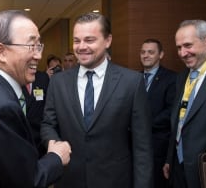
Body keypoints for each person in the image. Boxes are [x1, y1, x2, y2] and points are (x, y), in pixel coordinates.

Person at [0, 10, 71, 188]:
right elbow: (28, 181)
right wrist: (56, 157)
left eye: (39, 46)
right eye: (30, 46)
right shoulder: (1, 107)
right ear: (1, 51)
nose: (38, 56)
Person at [41, 12, 153, 188]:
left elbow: (143, 146)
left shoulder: (131, 82)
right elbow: (48, 124)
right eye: (77, 41)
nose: (81, 46)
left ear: (108, 41)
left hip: (115, 181)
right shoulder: (58, 82)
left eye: (89, 40)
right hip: (69, 179)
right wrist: (55, 144)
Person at [163, 19, 206, 188]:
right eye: (179, 47)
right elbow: (180, 122)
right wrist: (169, 159)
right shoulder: (181, 77)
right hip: (178, 169)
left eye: (187, 45)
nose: (182, 53)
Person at [140, 38, 176, 188]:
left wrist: (143, 124)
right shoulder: (133, 78)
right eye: (142, 52)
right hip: (135, 144)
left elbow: (171, 111)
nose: (145, 55)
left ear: (160, 55)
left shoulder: (172, 78)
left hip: (158, 144)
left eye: (150, 52)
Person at [23, 70, 50, 156]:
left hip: (40, 139)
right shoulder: (13, 78)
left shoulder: (43, 78)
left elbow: (49, 105)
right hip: (21, 137)